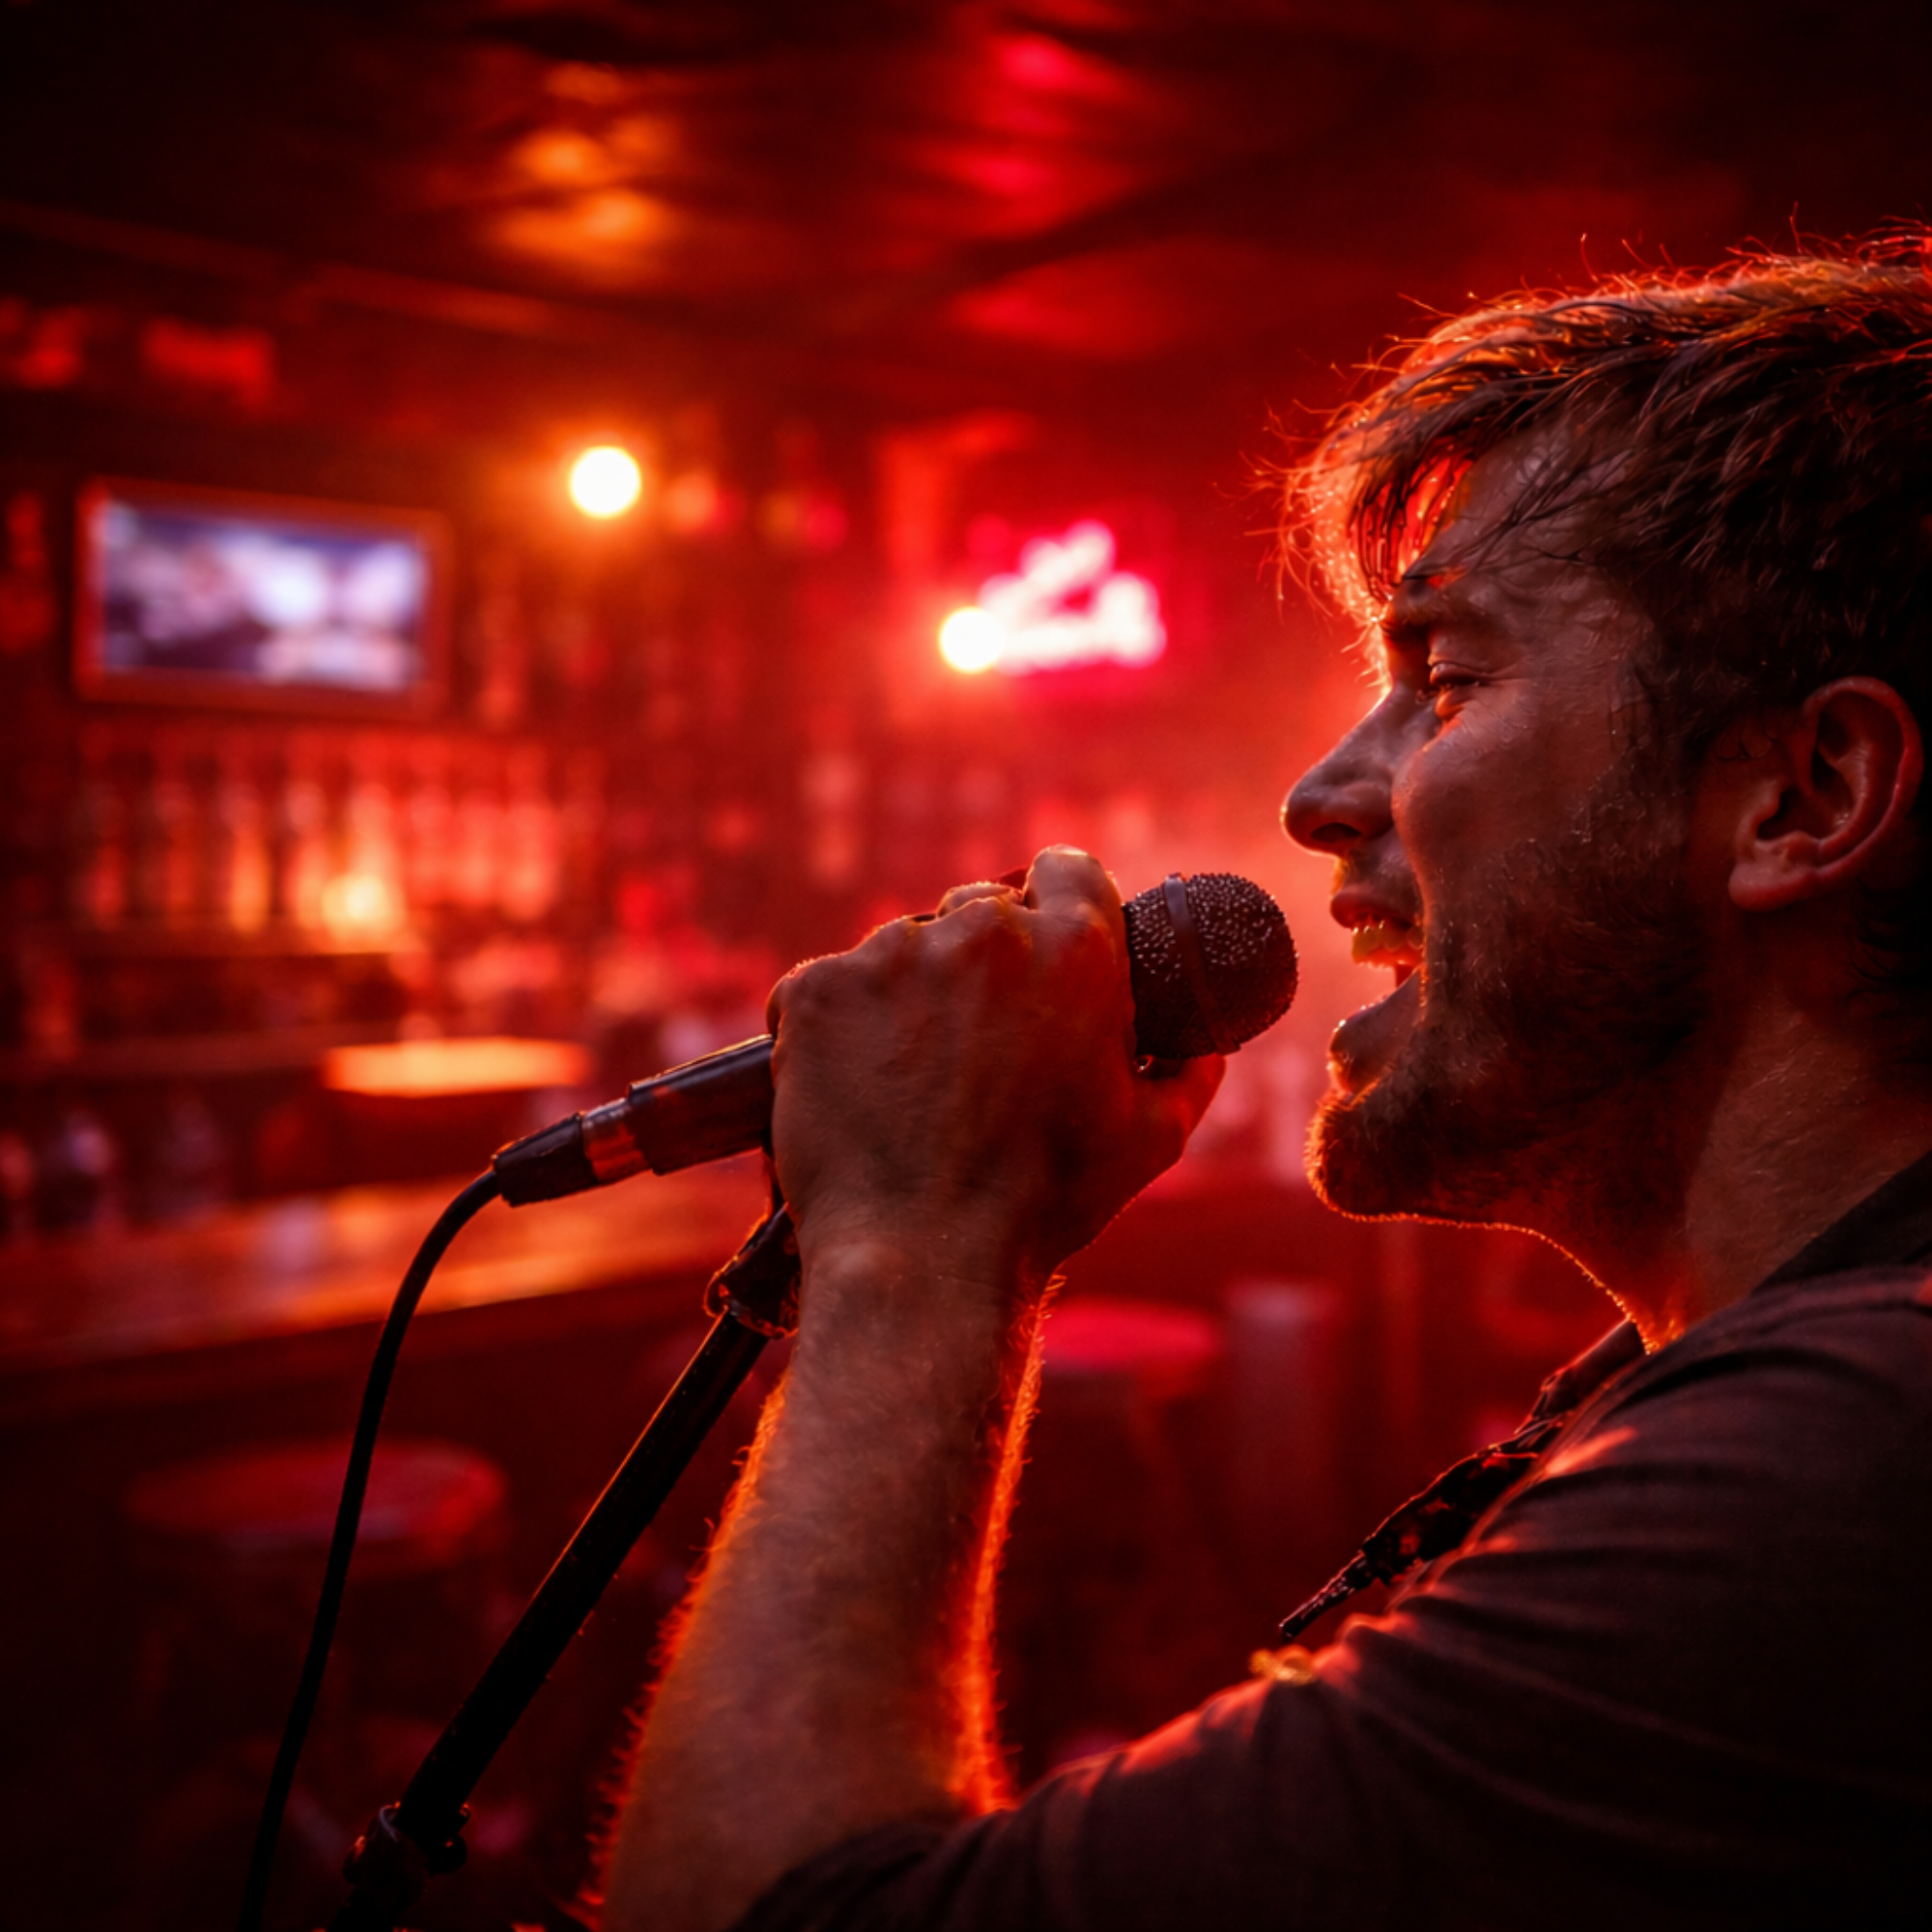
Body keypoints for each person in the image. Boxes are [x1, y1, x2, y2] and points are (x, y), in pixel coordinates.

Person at [598, 238, 1932, 1930]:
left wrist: (919, 1239)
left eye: (1446, 680)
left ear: (1802, 798)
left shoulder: (1842, 1467)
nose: (1319, 797)